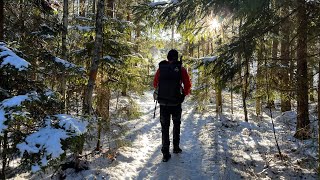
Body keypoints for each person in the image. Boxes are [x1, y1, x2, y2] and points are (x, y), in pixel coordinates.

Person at [153, 49, 191, 162]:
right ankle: (176, 147)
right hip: (176, 103)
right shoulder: (181, 69)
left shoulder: (161, 68)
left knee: (165, 128)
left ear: (167, 57)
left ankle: (165, 153)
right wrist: (184, 94)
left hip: (163, 103)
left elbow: (155, 83)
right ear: (176, 57)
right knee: (176, 124)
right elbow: (188, 84)